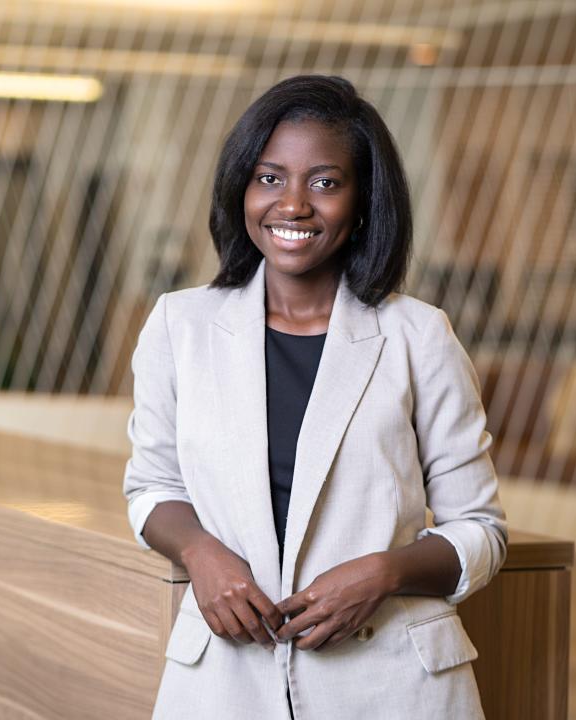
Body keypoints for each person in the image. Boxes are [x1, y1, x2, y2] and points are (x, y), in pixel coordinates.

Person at [122, 75, 507, 720]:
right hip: (224, 680)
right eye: (269, 178)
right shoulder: (178, 325)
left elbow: (482, 532)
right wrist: (200, 552)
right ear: (241, 190)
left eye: (324, 182)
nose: (292, 204)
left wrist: (385, 573)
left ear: (362, 203)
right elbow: (151, 487)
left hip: (391, 684)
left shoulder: (419, 336)